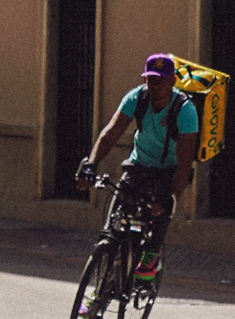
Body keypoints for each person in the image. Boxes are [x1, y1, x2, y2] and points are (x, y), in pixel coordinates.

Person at [79, 53, 199, 277]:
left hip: (169, 171)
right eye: (150, 79)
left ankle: (150, 260)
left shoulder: (185, 111)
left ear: (173, 81)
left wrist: (171, 197)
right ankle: (101, 283)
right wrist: (91, 164)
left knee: (159, 214)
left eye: (161, 80)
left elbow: (184, 163)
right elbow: (111, 133)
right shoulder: (136, 98)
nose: (155, 85)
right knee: (112, 225)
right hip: (139, 165)